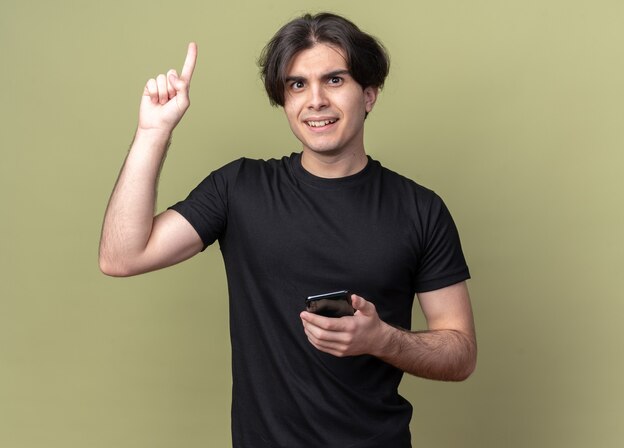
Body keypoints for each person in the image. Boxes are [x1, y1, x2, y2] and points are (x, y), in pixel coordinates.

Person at [99, 12, 477, 448]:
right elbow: (121, 257)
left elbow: (460, 353)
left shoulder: (420, 210)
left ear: (368, 95)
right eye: (297, 84)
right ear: (284, 98)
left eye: (334, 80)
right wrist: (153, 132)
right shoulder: (238, 188)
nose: (314, 100)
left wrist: (382, 339)